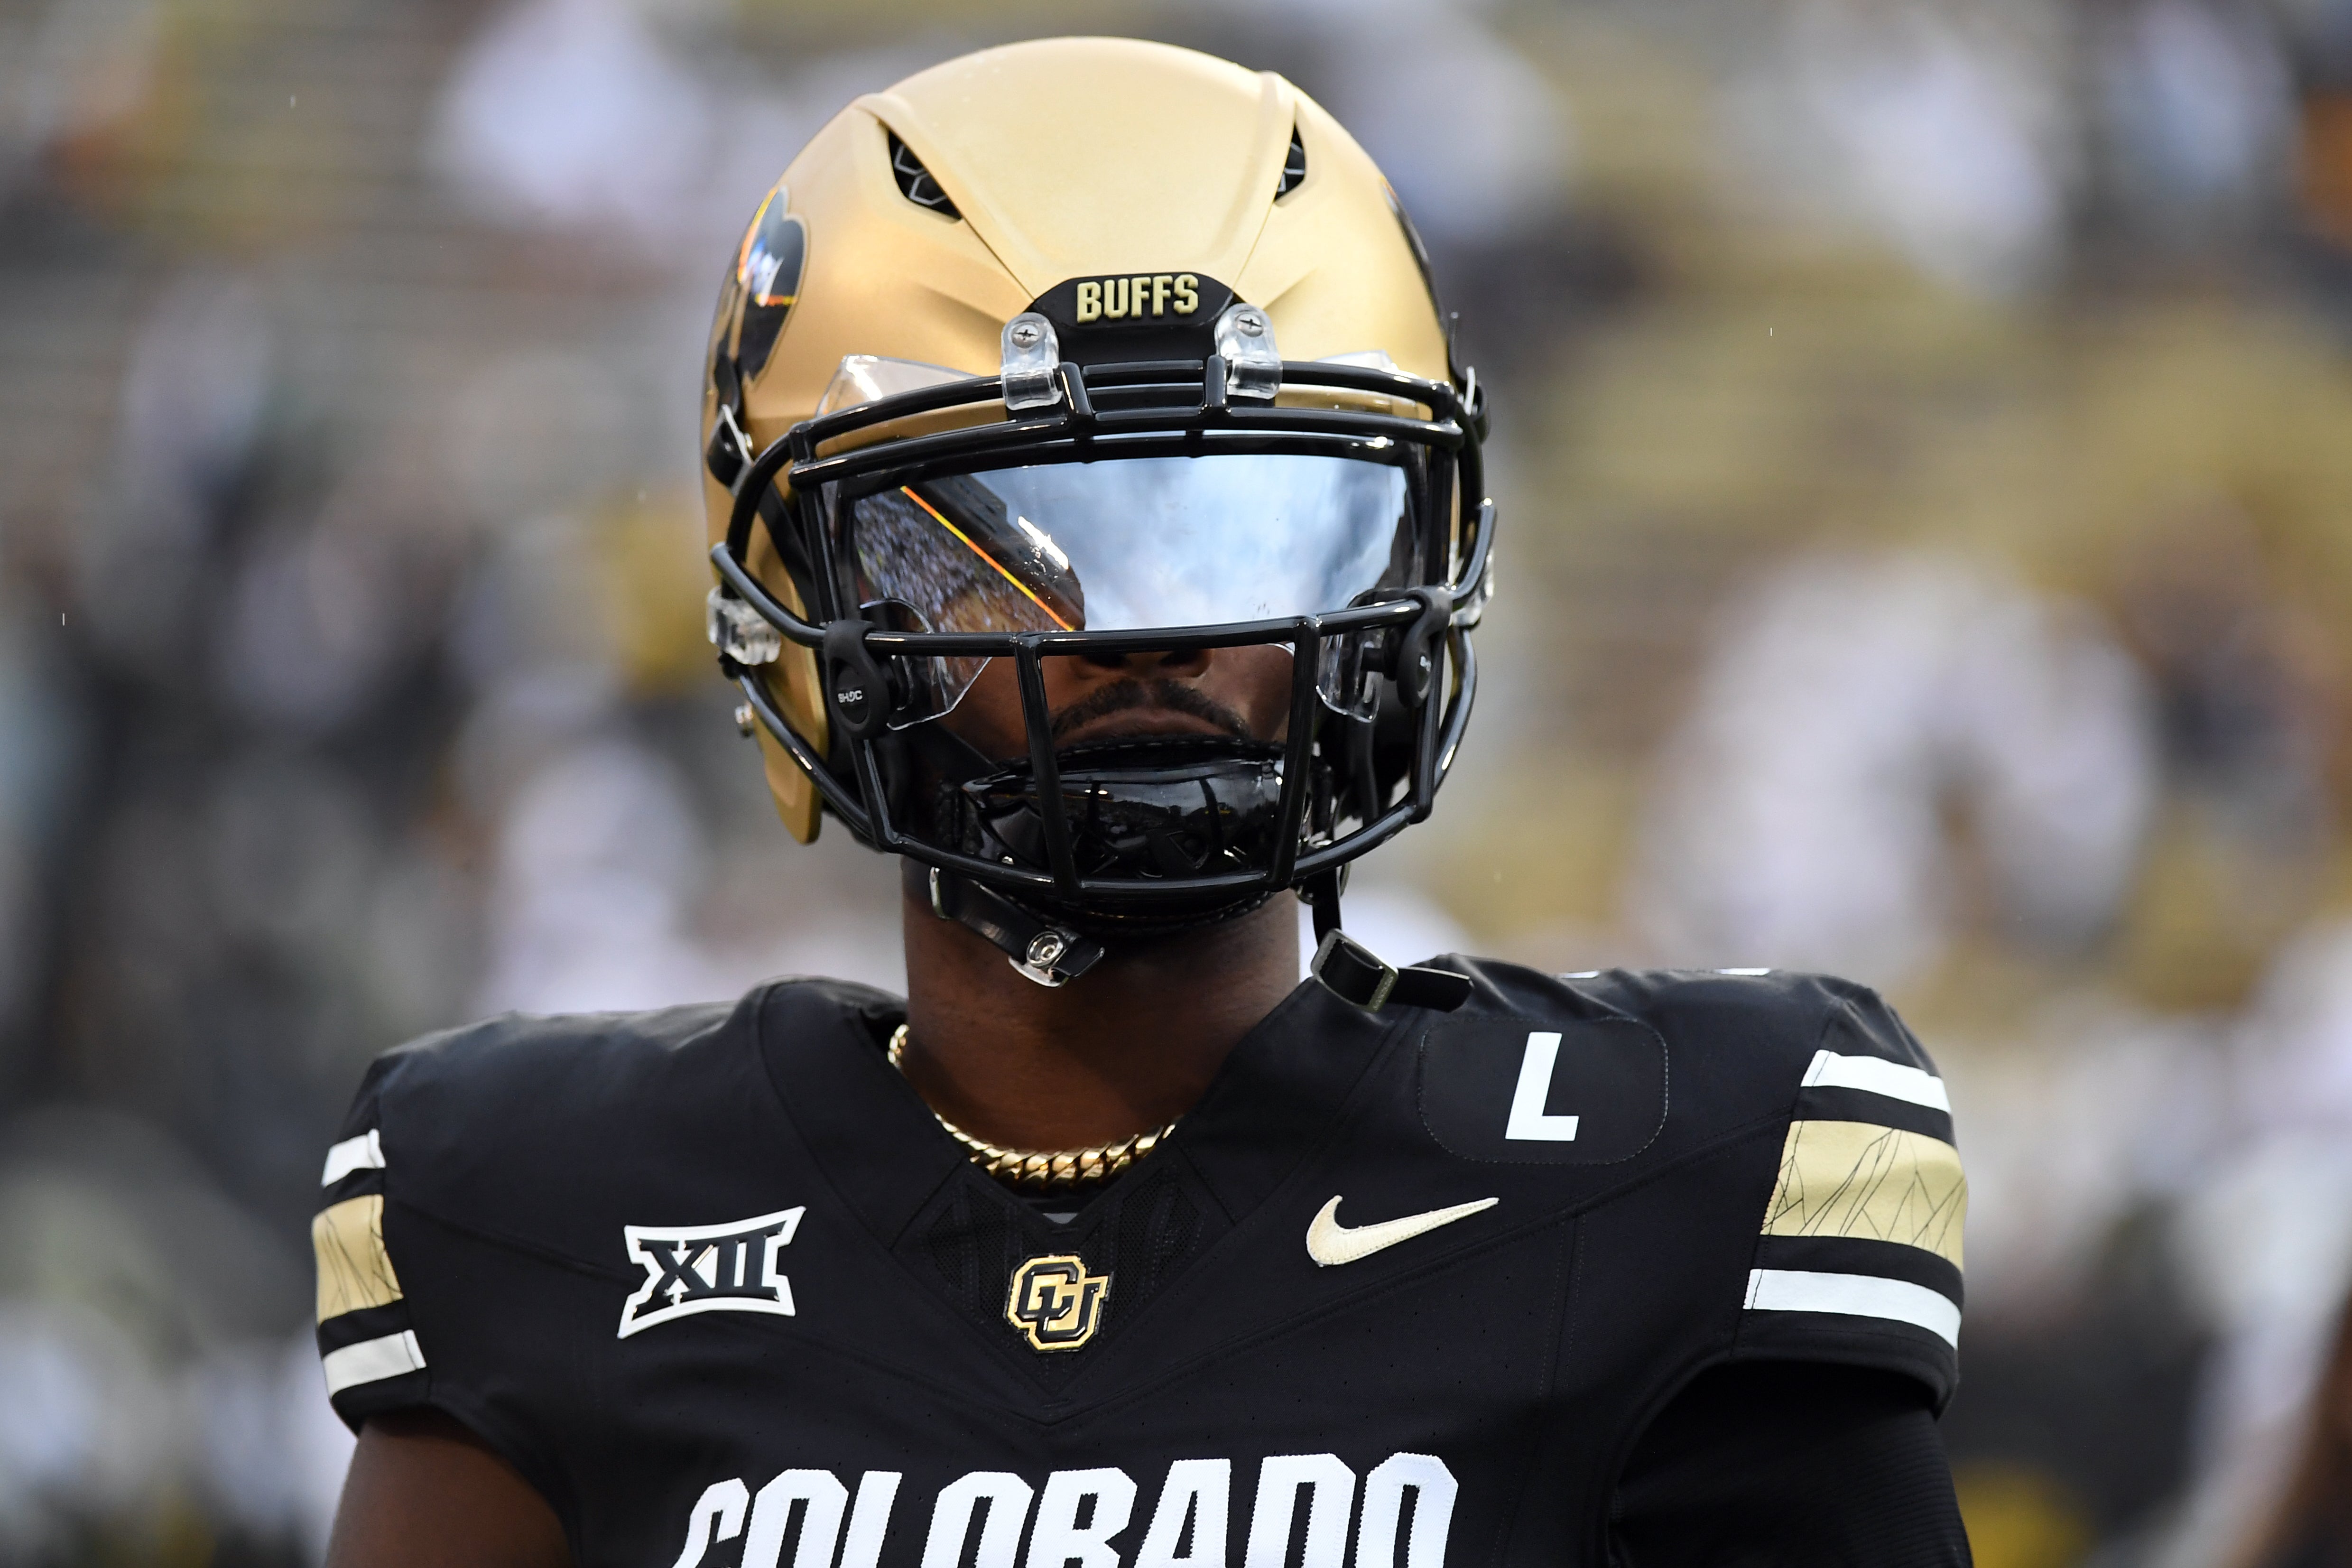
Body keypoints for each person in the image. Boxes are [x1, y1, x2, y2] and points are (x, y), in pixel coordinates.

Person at [315, 38, 1973, 1567]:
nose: (1157, 628)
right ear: (801, 603)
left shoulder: (1672, 1176)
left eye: (1256, 526)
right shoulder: (547, 1214)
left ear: (1405, 563)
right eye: (1023, 546)